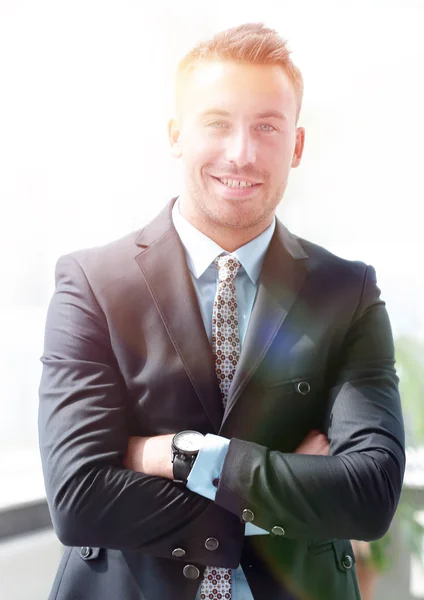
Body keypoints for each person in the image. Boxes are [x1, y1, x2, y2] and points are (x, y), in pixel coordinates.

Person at [38, 22, 405, 600]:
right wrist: (281, 501)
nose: (242, 152)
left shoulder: (347, 292)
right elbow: (81, 499)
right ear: (176, 134)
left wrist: (182, 456)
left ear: (297, 146)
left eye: (267, 126)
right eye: (217, 123)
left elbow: (370, 495)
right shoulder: (92, 283)